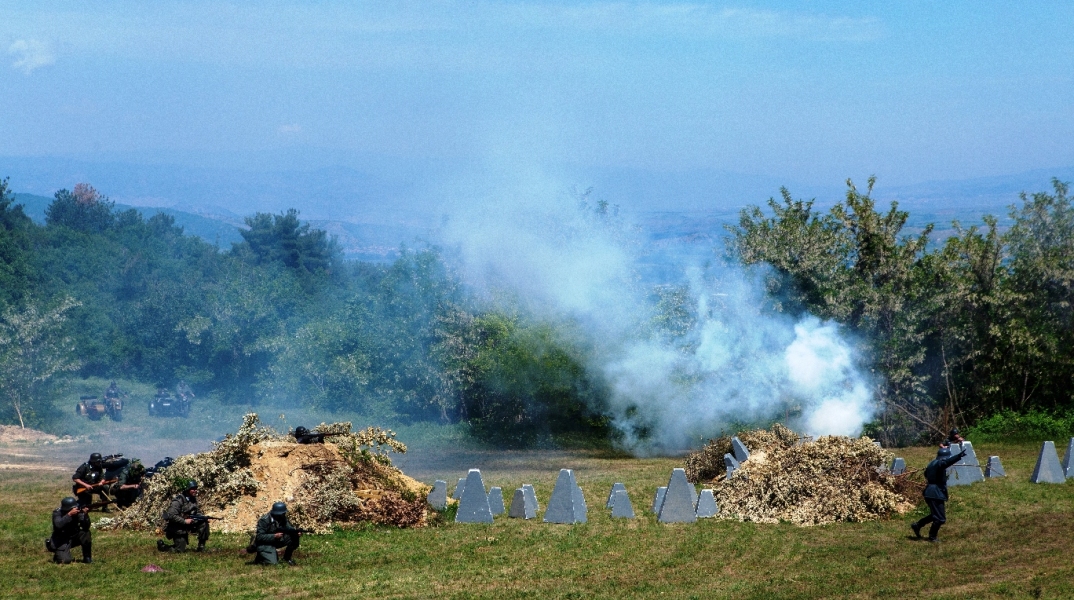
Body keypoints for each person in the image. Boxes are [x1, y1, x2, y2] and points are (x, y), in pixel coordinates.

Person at [911, 439, 968, 542]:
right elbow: (945, 463)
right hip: (935, 493)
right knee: (940, 518)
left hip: (929, 491)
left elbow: (926, 475)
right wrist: (958, 456)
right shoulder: (940, 464)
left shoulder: (931, 463)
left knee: (935, 515)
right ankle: (932, 537)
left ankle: (917, 525)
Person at [158, 480, 209, 553]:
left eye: (196, 489)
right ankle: (163, 547)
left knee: (204, 523)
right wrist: (184, 521)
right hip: (177, 527)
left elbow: (196, 512)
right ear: (187, 489)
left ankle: (201, 547)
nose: (195, 491)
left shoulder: (193, 499)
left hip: (188, 524)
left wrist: (202, 517)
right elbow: (171, 515)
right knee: (179, 550)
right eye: (193, 489)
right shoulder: (178, 501)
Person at [49, 497, 91, 564]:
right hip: (61, 540)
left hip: (73, 536)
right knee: (65, 561)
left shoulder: (78, 511)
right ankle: (57, 555)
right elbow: (58, 525)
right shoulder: (57, 513)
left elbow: (86, 527)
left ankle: (87, 557)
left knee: (85, 533)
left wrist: (85, 515)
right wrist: (69, 515)